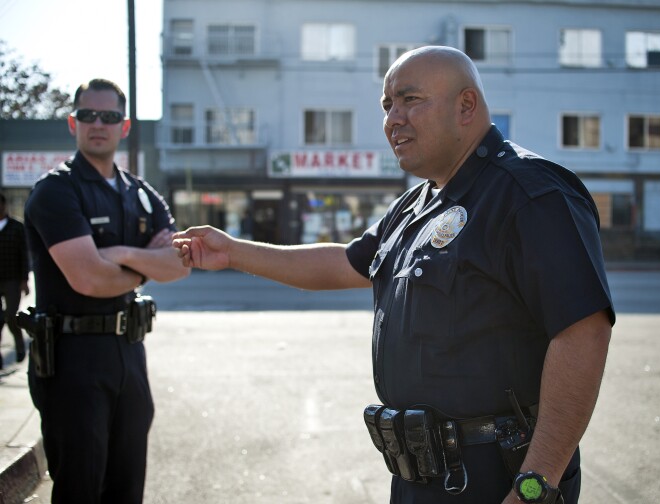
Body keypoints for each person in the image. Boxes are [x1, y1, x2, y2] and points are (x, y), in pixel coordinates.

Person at [173, 46, 614, 504]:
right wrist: (235, 252)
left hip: (497, 474)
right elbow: (343, 262)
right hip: (420, 474)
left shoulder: (530, 193)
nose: (392, 119)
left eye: (410, 100)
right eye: (387, 105)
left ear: (466, 106)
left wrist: (536, 487)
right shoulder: (415, 206)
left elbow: (583, 334)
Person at [23, 78, 190, 504]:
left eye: (110, 116)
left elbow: (178, 263)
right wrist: (142, 263)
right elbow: (89, 279)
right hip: (72, 360)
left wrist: (115, 253)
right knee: (80, 485)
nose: (99, 123)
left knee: (127, 485)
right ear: (72, 122)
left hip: (129, 354)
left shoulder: (143, 195)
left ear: (125, 125)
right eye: (88, 115)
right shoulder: (56, 191)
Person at [0, 191, 30, 370]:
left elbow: (24, 255)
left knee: (11, 316)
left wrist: (24, 280)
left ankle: (19, 345)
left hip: (12, 278)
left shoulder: (16, 227)